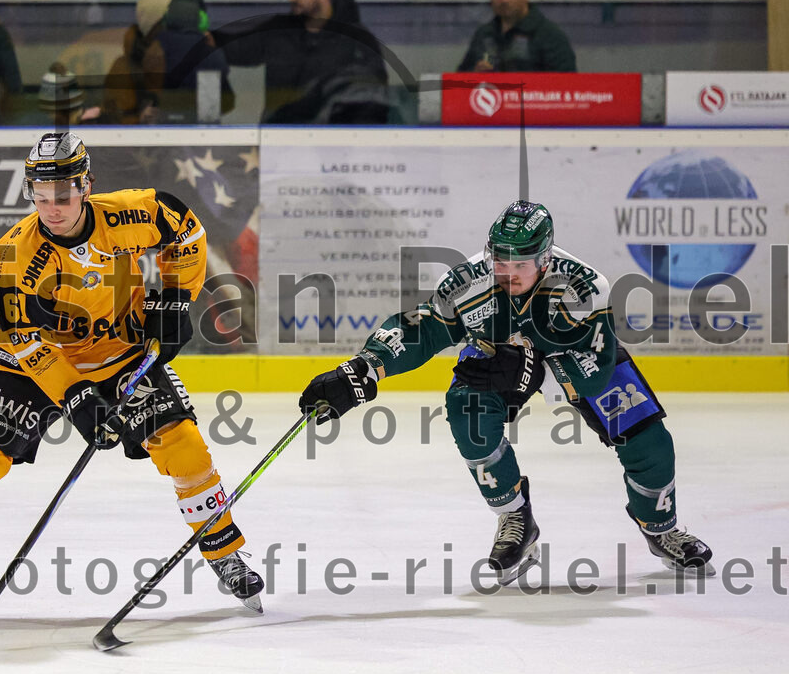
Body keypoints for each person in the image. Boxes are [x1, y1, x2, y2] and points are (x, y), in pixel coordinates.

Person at [0, 131, 265, 615]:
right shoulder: (12, 256)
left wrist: (178, 295)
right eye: (40, 196)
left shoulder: (132, 213)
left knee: (184, 446)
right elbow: (24, 339)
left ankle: (226, 554)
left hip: (121, 354)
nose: (52, 207)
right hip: (35, 366)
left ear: (86, 185)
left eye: (64, 194)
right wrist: (75, 395)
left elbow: (187, 231)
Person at [300, 200, 712, 585]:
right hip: (499, 356)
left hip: (574, 360)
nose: (506, 270)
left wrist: (530, 358)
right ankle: (516, 519)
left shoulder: (585, 287)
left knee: (650, 441)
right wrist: (361, 369)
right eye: (499, 258)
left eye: (521, 262)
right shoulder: (467, 282)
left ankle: (661, 527)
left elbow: (591, 376)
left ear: (546, 258)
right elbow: (421, 330)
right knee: (466, 411)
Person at [214, 0, 389, 124]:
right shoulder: (279, 31)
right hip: (277, 139)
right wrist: (207, 40)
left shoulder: (356, 40)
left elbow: (373, 97)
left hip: (331, 144)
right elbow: (238, 46)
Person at [457, 0, 576, 73]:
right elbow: (457, 85)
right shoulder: (484, 35)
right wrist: (474, 76)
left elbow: (567, 88)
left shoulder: (550, 37)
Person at [90, 0, 171, 124]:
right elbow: (114, 122)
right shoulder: (124, 68)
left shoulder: (178, 58)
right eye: (167, 21)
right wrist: (140, 120)